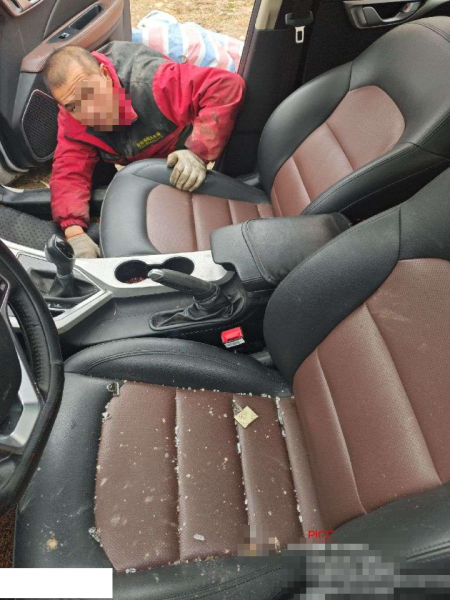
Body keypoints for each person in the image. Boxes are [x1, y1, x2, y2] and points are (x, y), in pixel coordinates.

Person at [43, 42, 246, 258]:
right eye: (74, 106)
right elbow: (69, 169)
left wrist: (197, 152)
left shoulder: (153, 81)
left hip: (176, 144)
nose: (89, 111)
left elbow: (226, 85)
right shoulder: (71, 117)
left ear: (105, 75)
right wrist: (74, 234)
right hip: (134, 159)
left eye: (90, 93)